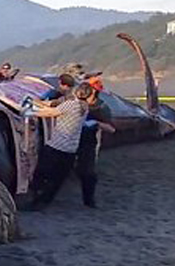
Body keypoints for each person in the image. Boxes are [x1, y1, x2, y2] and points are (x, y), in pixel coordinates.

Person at [24, 82, 97, 211]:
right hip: (70, 149)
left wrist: (30, 112)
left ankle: (34, 201)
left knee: (41, 174)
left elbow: (51, 112)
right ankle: (44, 201)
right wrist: (38, 104)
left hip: (56, 146)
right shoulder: (84, 107)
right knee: (57, 179)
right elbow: (54, 109)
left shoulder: (71, 104)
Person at [74, 76, 116, 208]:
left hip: (89, 141)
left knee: (87, 172)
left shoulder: (101, 107)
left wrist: (96, 123)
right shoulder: (77, 102)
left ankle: (89, 200)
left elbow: (111, 129)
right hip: (72, 138)